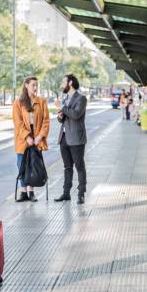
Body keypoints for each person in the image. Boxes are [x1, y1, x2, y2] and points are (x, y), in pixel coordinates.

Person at [12, 76, 50, 202]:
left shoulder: (42, 101)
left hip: (37, 139)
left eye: (36, 85)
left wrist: (40, 136)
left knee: (33, 165)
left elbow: (46, 121)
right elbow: (18, 122)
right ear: (26, 85)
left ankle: (31, 192)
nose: (35, 87)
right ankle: (23, 192)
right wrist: (27, 136)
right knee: (22, 165)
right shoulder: (18, 102)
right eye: (33, 84)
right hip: (23, 139)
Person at [54, 75, 87, 204]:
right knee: (67, 166)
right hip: (64, 138)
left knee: (79, 166)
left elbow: (76, 114)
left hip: (76, 138)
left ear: (70, 82)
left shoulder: (81, 98)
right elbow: (62, 119)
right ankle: (66, 193)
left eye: (64, 81)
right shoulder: (66, 98)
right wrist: (60, 115)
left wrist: (62, 107)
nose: (62, 84)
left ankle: (81, 193)